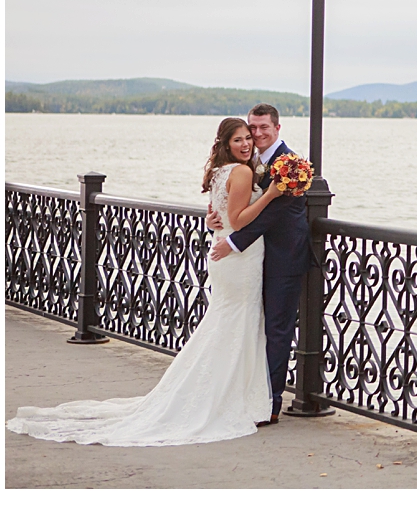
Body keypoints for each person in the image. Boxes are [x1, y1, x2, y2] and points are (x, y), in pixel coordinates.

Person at [7, 118, 278, 445]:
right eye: (239, 140)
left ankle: (225, 392)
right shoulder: (243, 171)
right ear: (225, 144)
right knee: (237, 323)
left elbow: (219, 214)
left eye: (249, 138)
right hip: (238, 257)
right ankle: (231, 397)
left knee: (228, 323)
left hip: (226, 255)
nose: (247, 144)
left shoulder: (222, 171)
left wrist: (220, 219)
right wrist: (272, 195)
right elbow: (237, 219)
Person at [206, 103, 314, 423]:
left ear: (277, 129)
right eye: (252, 128)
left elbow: (273, 213)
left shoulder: (290, 166)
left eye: (264, 128)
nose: (257, 134)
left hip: (283, 259)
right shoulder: (250, 160)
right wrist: (214, 220)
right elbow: (232, 202)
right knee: (251, 327)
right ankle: (243, 393)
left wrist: (233, 242)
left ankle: (271, 402)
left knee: (276, 330)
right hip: (253, 259)